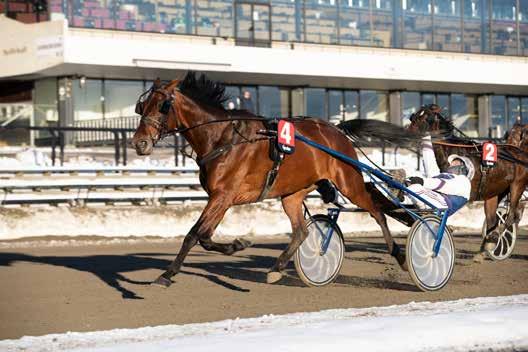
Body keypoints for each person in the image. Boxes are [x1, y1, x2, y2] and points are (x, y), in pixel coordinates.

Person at [406, 135, 474, 217]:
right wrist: (425, 137)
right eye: (451, 163)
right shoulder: (443, 176)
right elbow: (430, 162)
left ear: (463, 169)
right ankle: (401, 196)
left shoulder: (464, 182)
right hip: (433, 198)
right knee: (404, 185)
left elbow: (444, 185)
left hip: (443, 206)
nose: (451, 165)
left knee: (415, 188)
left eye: (455, 163)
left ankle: (404, 197)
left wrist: (422, 181)